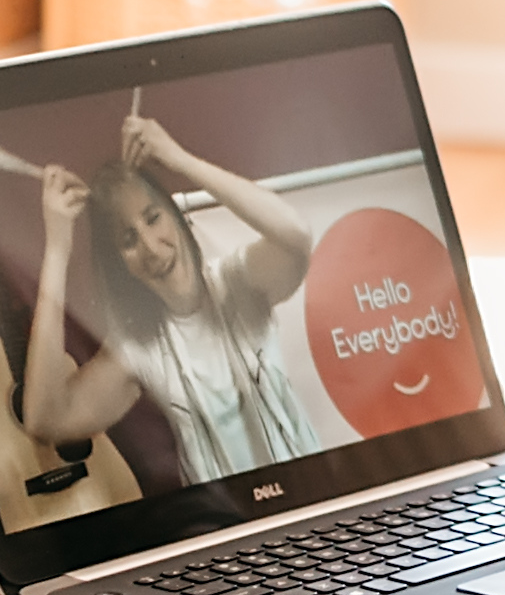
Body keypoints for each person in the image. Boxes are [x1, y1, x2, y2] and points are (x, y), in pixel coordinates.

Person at [25, 111, 325, 479]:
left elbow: (296, 235)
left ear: (176, 216)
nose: (152, 248)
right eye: (129, 240)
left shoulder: (239, 281)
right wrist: (57, 247)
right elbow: (44, 419)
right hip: (225, 523)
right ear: (122, 267)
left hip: (312, 503)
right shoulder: (139, 347)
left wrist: (178, 158)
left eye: (153, 217)